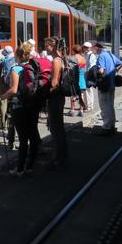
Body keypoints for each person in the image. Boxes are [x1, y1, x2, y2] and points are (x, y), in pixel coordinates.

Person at [1, 43, 40, 177]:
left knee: (23, 139)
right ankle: (29, 166)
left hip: (19, 107)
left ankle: (19, 170)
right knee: (33, 137)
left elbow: (13, 89)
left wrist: (2, 97)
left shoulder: (15, 69)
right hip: (32, 105)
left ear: (17, 55)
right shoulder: (33, 67)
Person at [45, 37, 67, 169]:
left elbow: (54, 83)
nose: (44, 48)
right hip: (59, 97)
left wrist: (43, 92)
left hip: (55, 96)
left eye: (46, 46)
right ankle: (61, 154)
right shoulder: (61, 58)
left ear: (52, 47)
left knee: (55, 127)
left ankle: (57, 157)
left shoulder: (56, 61)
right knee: (58, 126)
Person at [93, 42, 122, 135]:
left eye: (93, 48)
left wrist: (95, 71)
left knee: (104, 106)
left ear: (97, 47)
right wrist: (115, 71)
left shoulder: (101, 56)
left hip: (104, 85)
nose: (93, 50)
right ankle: (112, 125)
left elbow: (101, 70)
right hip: (112, 83)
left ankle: (106, 128)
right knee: (110, 105)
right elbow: (120, 63)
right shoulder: (110, 54)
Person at [0, 45, 16, 148]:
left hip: (10, 89)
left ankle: (11, 141)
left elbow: (6, 78)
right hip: (19, 91)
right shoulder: (16, 60)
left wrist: (3, 96)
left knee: (11, 118)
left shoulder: (6, 61)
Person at [69, 44, 87, 117]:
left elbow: (70, 69)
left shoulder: (72, 58)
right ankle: (81, 110)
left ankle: (72, 110)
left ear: (73, 50)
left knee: (73, 95)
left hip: (74, 79)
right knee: (81, 95)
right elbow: (84, 69)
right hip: (82, 79)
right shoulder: (83, 59)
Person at [82, 42, 97, 111]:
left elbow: (91, 66)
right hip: (84, 74)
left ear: (90, 48)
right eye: (85, 47)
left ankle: (90, 106)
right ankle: (86, 105)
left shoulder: (91, 55)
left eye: (87, 47)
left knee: (88, 90)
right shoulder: (84, 55)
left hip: (88, 74)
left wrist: (87, 73)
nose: (85, 48)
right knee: (86, 90)